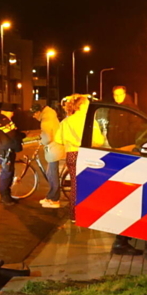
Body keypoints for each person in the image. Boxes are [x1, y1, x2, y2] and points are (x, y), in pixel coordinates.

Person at [107, 85, 147, 261]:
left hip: (128, 153)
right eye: (115, 94)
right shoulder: (116, 110)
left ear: (126, 94)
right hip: (126, 154)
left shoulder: (131, 109)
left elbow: (137, 131)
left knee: (132, 199)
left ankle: (123, 241)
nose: (117, 97)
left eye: (120, 94)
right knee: (137, 199)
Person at [59, 94, 103, 222]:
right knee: (88, 185)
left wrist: (71, 142)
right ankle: (87, 213)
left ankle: (74, 215)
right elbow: (98, 140)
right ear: (83, 105)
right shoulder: (89, 121)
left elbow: (58, 139)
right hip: (86, 154)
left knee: (75, 185)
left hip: (71, 155)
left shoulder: (67, 120)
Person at [0, 105, 24, 205]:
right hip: (5, 151)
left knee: (9, 173)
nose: (13, 114)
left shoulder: (4, 120)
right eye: (11, 112)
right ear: (5, 112)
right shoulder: (1, 120)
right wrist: (21, 135)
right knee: (6, 173)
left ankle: (8, 196)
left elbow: (14, 132)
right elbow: (13, 133)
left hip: (8, 150)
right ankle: (4, 196)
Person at [34, 106, 64, 209]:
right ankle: (50, 196)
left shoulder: (46, 120)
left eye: (34, 114)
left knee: (52, 175)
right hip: (55, 148)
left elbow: (47, 138)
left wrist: (41, 140)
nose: (34, 117)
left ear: (38, 112)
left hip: (54, 149)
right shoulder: (50, 116)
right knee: (50, 173)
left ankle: (54, 200)